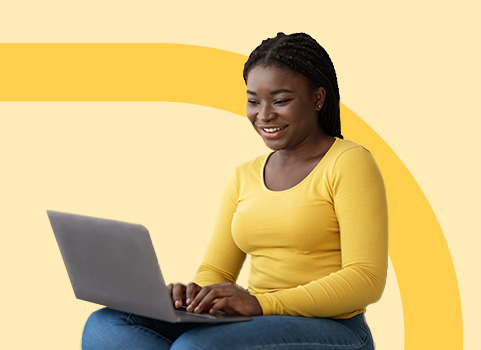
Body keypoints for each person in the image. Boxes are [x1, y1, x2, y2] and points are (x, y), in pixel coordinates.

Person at [81, 32, 388, 350]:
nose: (264, 114)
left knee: (195, 347)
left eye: (281, 100)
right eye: (254, 101)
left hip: (334, 329)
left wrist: (260, 304)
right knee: (106, 324)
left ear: (317, 98)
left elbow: (364, 279)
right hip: (258, 322)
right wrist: (194, 299)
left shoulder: (348, 162)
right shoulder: (244, 175)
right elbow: (215, 269)